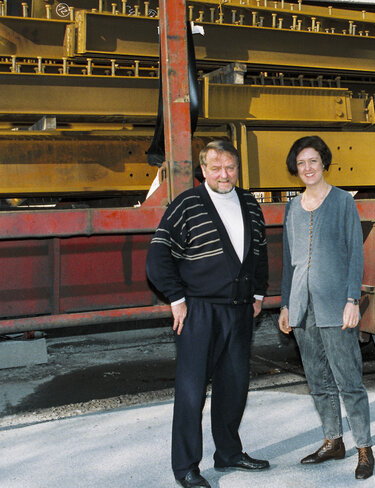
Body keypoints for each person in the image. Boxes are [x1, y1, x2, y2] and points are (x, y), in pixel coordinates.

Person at [146, 140, 269, 488]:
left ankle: (229, 453)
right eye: (216, 168)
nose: (224, 174)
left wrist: (258, 293)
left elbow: (259, 251)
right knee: (191, 391)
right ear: (203, 170)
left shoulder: (248, 202)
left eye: (230, 167)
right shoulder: (187, 204)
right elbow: (158, 256)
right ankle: (186, 467)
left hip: (240, 310)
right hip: (198, 311)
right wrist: (176, 299)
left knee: (234, 387)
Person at [278, 135, 375, 480]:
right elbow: (289, 262)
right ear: (296, 168)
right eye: (301, 163)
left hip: (337, 304)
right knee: (317, 378)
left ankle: (364, 447)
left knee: (348, 379)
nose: (307, 168)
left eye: (313, 161)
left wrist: (352, 301)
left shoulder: (343, 202)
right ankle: (333, 441)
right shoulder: (291, 207)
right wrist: (286, 306)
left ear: (324, 164)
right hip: (303, 306)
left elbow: (354, 254)